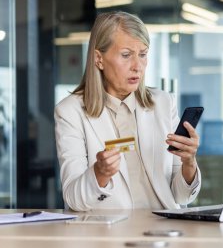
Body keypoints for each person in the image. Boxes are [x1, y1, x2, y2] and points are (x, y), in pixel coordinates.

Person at [54, 11, 201, 211]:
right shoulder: (70, 112)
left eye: (143, 54)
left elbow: (181, 196)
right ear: (99, 59)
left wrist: (189, 163)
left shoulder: (163, 104)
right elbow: (74, 199)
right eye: (126, 55)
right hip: (110, 233)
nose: (137, 66)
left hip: (163, 231)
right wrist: (100, 173)